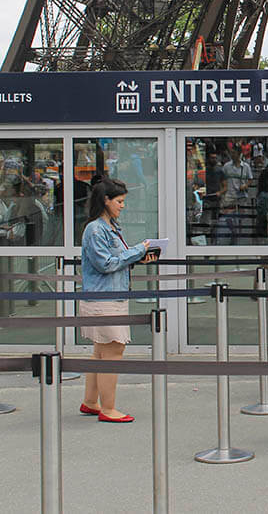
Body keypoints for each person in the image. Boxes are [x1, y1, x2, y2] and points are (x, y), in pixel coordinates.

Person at [79, 179, 156, 423]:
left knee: (101, 351)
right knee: (113, 350)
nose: (122, 206)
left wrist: (136, 258)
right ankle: (108, 408)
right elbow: (106, 264)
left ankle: (91, 402)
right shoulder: (95, 229)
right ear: (106, 200)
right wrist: (138, 250)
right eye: (119, 201)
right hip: (105, 298)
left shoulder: (109, 227)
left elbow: (115, 260)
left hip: (107, 296)